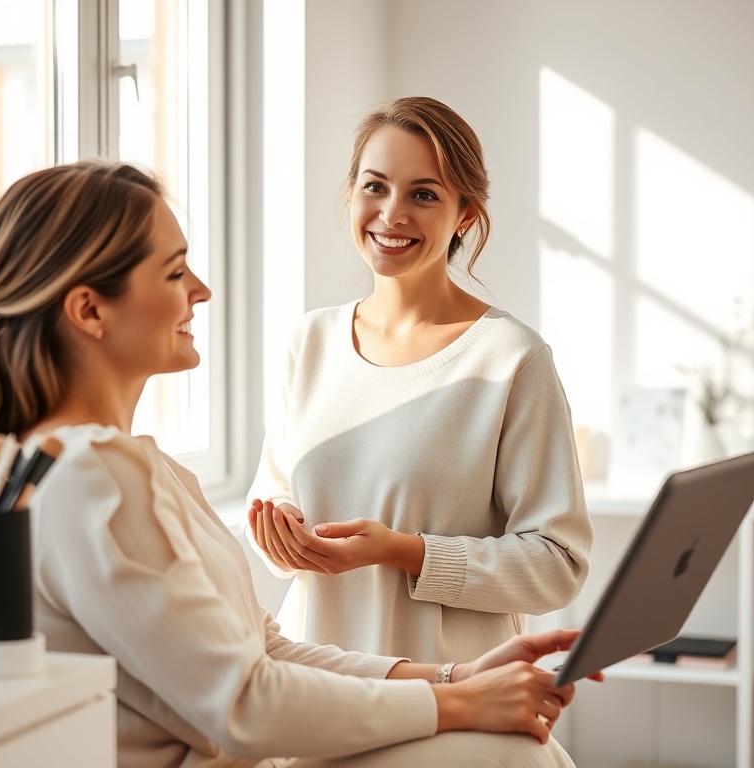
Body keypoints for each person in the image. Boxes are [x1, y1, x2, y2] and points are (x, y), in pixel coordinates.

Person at [0, 161, 598, 768]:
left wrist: (453, 679)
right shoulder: (90, 473)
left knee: (515, 750)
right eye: (175, 271)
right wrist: (459, 706)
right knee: (509, 754)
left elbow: (262, 647)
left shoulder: (142, 467)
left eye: (423, 193)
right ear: (90, 310)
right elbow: (242, 701)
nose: (202, 290)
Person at [246, 96, 594, 664]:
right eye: (374, 186)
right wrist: (280, 528)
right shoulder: (308, 343)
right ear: (352, 191)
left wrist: (407, 553)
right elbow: (274, 494)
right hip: (316, 696)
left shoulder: (510, 359)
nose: (391, 215)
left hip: (451, 698)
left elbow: (557, 566)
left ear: (465, 215)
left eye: (424, 194)